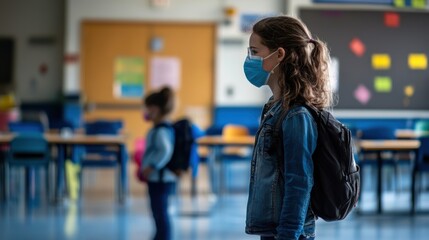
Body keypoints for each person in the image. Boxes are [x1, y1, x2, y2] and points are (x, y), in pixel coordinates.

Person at [243, 16, 333, 240]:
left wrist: (287, 235)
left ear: (279, 55)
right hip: (273, 230)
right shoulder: (274, 108)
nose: (249, 59)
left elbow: (299, 184)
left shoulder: (296, 116)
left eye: (255, 51)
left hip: (289, 233)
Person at [140, 87, 177, 240]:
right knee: (158, 212)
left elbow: (165, 151)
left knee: (160, 213)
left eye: (147, 107)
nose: (146, 111)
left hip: (161, 179)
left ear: (155, 109)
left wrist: (151, 166)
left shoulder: (161, 130)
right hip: (158, 179)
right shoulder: (158, 128)